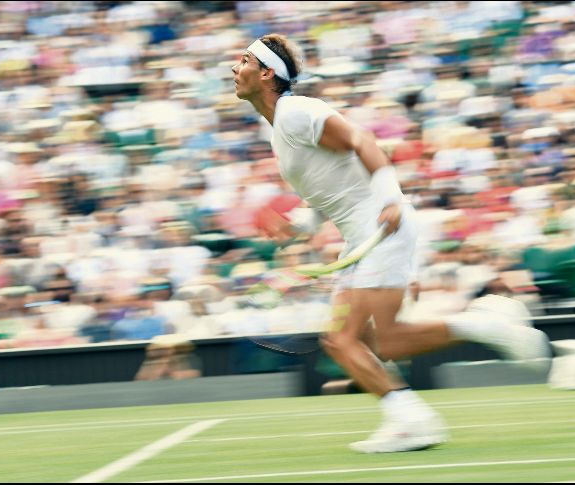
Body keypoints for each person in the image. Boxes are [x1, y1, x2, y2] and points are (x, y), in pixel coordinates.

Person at [232, 34, 550, 454]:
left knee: (385, 341)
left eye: (244, 60)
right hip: (361, 237)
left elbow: (363, 142)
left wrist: (389, 198)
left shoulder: (296, 112)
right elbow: (326, 196)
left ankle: (482, 330)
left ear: (267, 73)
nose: (234, 68)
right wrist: (297, 227)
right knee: (347, 342)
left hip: (382, 226)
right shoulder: (279, 129)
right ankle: (412, 419)